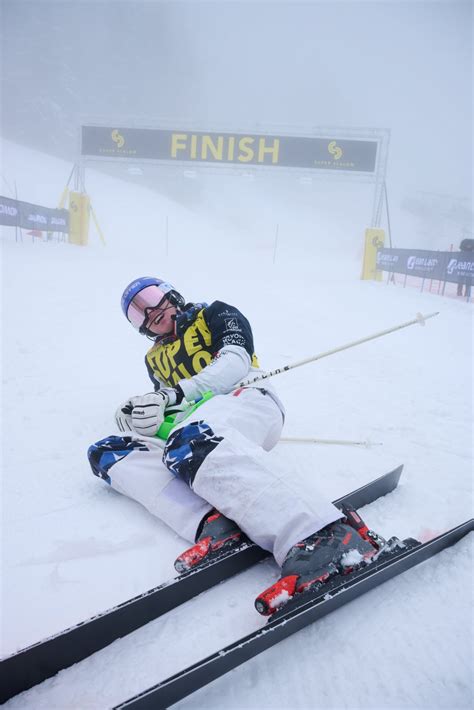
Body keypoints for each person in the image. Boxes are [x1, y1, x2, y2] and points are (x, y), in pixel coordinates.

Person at [87, 277, 380, 614]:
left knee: (192, 437)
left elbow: (235, 362)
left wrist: (174, 394)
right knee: (109, 452)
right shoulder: (154, 360)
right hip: (197, 425)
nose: (150, 311)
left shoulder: (214, 314)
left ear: (172, 293)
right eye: (138, 313)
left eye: (151, 298)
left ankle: (322, 536)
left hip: (248, 400)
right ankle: (216, 521)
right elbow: (172, 410)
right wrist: (144, 418)